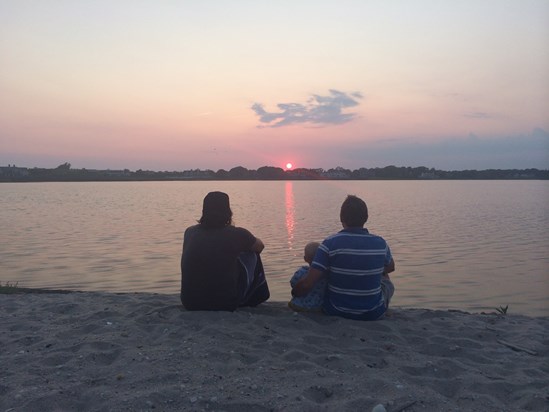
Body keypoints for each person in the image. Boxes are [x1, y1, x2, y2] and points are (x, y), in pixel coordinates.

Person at [292, 195, 395, 321]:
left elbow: (308, 283)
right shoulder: (381, 243)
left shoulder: (329, 243)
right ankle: (379, 304)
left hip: (335, 310)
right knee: (385, 277)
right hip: (373, 313)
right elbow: (391, 267)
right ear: (366, 218)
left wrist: (294, 293)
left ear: (341, 218)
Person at [180, 191, 270, 311]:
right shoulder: (237, 234)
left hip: (190, 302)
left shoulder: (190, 232)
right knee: (252, 253)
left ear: (203, 211)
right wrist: (245, 242)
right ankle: (258, 296)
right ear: (228, 211)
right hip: (224, 303)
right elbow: (260, 246)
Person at [288, 242, 326, 312]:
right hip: (318, 306)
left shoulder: (302, 271)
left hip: (298, 305)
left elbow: (293, 283)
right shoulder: (325, 274)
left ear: (305, 259)